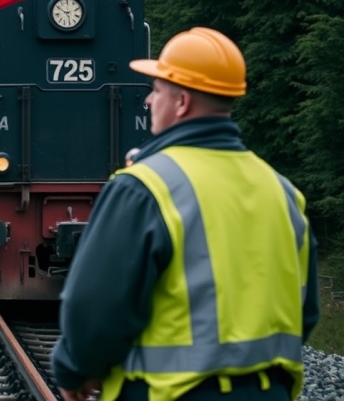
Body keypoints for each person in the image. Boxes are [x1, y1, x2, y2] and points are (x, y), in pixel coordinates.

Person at [51, 27, 320, 401]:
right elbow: (304, 311)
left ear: (181, 102)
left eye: (157, 90)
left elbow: (94, 308)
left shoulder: (144, 187)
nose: (147, 100)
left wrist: (74, 370)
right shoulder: (283, 192)